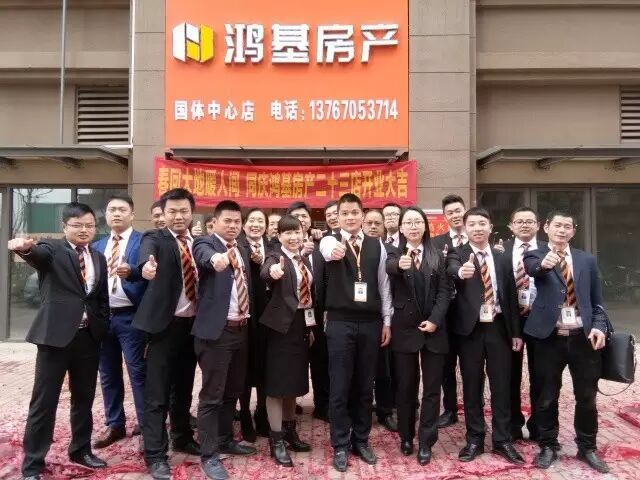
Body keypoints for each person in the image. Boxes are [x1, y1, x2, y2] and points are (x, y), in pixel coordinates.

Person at [9, 202, 110, 480]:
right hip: (55, 339)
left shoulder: (98, 257)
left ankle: (81, 450)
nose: (84, 230)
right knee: (44, 402)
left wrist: (102, 323)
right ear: (64, 227)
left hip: (88, 338)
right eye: (77, 225)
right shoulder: (52, 249)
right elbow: (37, 254)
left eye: (89, 225)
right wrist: (25, 248)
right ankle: (33, 464)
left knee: (84, 399)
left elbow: (100, 297)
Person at [524, 211, 609, 473]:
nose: (562, 230)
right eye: (557, 225)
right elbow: (533, 269)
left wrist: (599, 326)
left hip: (582, 338)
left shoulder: (586, 260)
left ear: (574, 230)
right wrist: (545, 264)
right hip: (549, 339)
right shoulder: (535, 254)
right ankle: (548, 445)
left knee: (587, 396)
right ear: (546, 227)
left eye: (567, 226)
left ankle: (587, 447)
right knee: (547, 396)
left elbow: (597, 300)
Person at [319, 192, 392, 472]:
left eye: (354, 213)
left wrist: (387, 320)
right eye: (344, 213)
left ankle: (361, 439)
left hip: (371, 322)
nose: (350, 217)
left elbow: (383, 285)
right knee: (339, 385)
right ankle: (339, 443)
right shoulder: (330, 241)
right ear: (337, 217)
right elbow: (327, 249)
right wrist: (332, 247)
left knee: (365, 384)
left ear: (363, 215)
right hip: (340, 322)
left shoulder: (377, 245)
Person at [446, 207, 524, 465]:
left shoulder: (502, 257)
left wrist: (515, 332)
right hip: (470, 330)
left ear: (490, 227)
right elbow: (452, 269)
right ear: (465, 228)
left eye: (482, 223)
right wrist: (461, 272)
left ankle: (502, 439)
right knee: (472, 385)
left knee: (502, 384)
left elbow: (510, 297)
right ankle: (475, 438)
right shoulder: (457, 253)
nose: (477, 228)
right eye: (472, 224)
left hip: (499, 327)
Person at [133, 188, 200, 480]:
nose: (178, 216)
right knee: (157, 393)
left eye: (184, 211)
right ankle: (155, 454)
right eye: (172, 211)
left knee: (183, 388)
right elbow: (146, 256)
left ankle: (182, 437)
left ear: (192, 213)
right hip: (164, 327)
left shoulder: (197, 243)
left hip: (192, 326)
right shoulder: (155, 238)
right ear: (163, 213)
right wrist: (146, 267)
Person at [192, 200, 257, 480]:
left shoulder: (241, 247)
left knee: (233, 390)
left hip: (241, 329)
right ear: (215, 222)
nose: (232, 226)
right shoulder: (205, 244)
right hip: (217, 333)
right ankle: (209, 455)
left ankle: (225, 439)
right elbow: (205, 257)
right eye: (227, 221)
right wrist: (216, 260)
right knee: (212, 396)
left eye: (236, 221)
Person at [386, 207, 451, 464]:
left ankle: (426, 441)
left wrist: (435, 320)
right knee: (405, 387)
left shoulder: (437, 255)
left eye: (417, 222)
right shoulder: (394, 253)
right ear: (401, 227)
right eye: (408, 223)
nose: (413, 226)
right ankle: (406, 436)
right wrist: (399, 266)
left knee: (432, 389)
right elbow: (390, 267)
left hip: (434, 330)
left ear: (425, 226)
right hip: (405, 329)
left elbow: (445, 291)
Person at [260, 214, 315, 466]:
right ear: (279, 235)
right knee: (276, 385)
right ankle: (276, 441)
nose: (293, 237)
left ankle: (290, 432)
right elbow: (267, 272)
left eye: (297, 232)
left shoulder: (303, 259)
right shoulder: (275, 256)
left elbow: (309, 296)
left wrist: (311, 326)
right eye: (288, 232)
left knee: (293, 382)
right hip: (280, 329)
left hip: (301, 325)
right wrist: (273, 272)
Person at [92, 195, 147, 449]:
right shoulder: (98, 245)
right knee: (108, 373)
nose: (116, 213)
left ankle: (147, 428)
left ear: (132, 214)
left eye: (122, 209)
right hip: (104, 318)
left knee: (138, 373)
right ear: (106, 215)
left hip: (131, 316)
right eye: (112, 209)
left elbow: (149, 274)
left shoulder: (143, 241)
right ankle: (115, 424)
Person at [502, 207, 545, 442]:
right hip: (511, 320)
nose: (525, 225)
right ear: (511, 226)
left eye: (529, 221)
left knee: (541, 375)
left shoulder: (548, 249)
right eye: (519, 221)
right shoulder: (501, 250)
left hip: (541, 319)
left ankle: (539, 425)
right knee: (510, 374)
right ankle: (513, 425)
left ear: (538, 225)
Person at [286, 201, 330, 420]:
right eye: (295, 216)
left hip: (318, 314)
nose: (300, 220)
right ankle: (290, 405)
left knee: (321, 361)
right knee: (294, 361)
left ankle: (322, 405)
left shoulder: (321, 245)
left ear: (310, 220)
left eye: (304, 216)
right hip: (293, 316)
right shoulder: (283, 248)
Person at [432, 194, 468, 428]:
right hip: (445, 313)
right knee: (446, 364)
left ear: (465, 211)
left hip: (471, 312)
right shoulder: (436, 243)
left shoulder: (478, 237)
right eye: (450, 213)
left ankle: (475, 407)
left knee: (472, 364)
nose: (455, 215)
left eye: (458, 211)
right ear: (445, 217)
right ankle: (450, 408)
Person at [362, 208, 397, 433]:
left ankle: (385, 411)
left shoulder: (391, 250)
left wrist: (387, 320)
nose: (373, 227)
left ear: (384, 226)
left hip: (382, 316)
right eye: (369, 223)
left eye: (378, 223)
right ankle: (362, 411)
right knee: (361, 370)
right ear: (362, 224)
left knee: (384, 369)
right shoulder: (353, 248)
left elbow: (387, 287)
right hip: (358, 317)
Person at [236, 208, 270, 441]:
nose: (256, 224)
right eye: (252, 220)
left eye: (260, 221)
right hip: (245, 317)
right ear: (244, 224)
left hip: (268, 318)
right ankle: (245, 414)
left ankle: (262, 412)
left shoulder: (273, 247)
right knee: (245, 369)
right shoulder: (236, 246)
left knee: (267, 367)